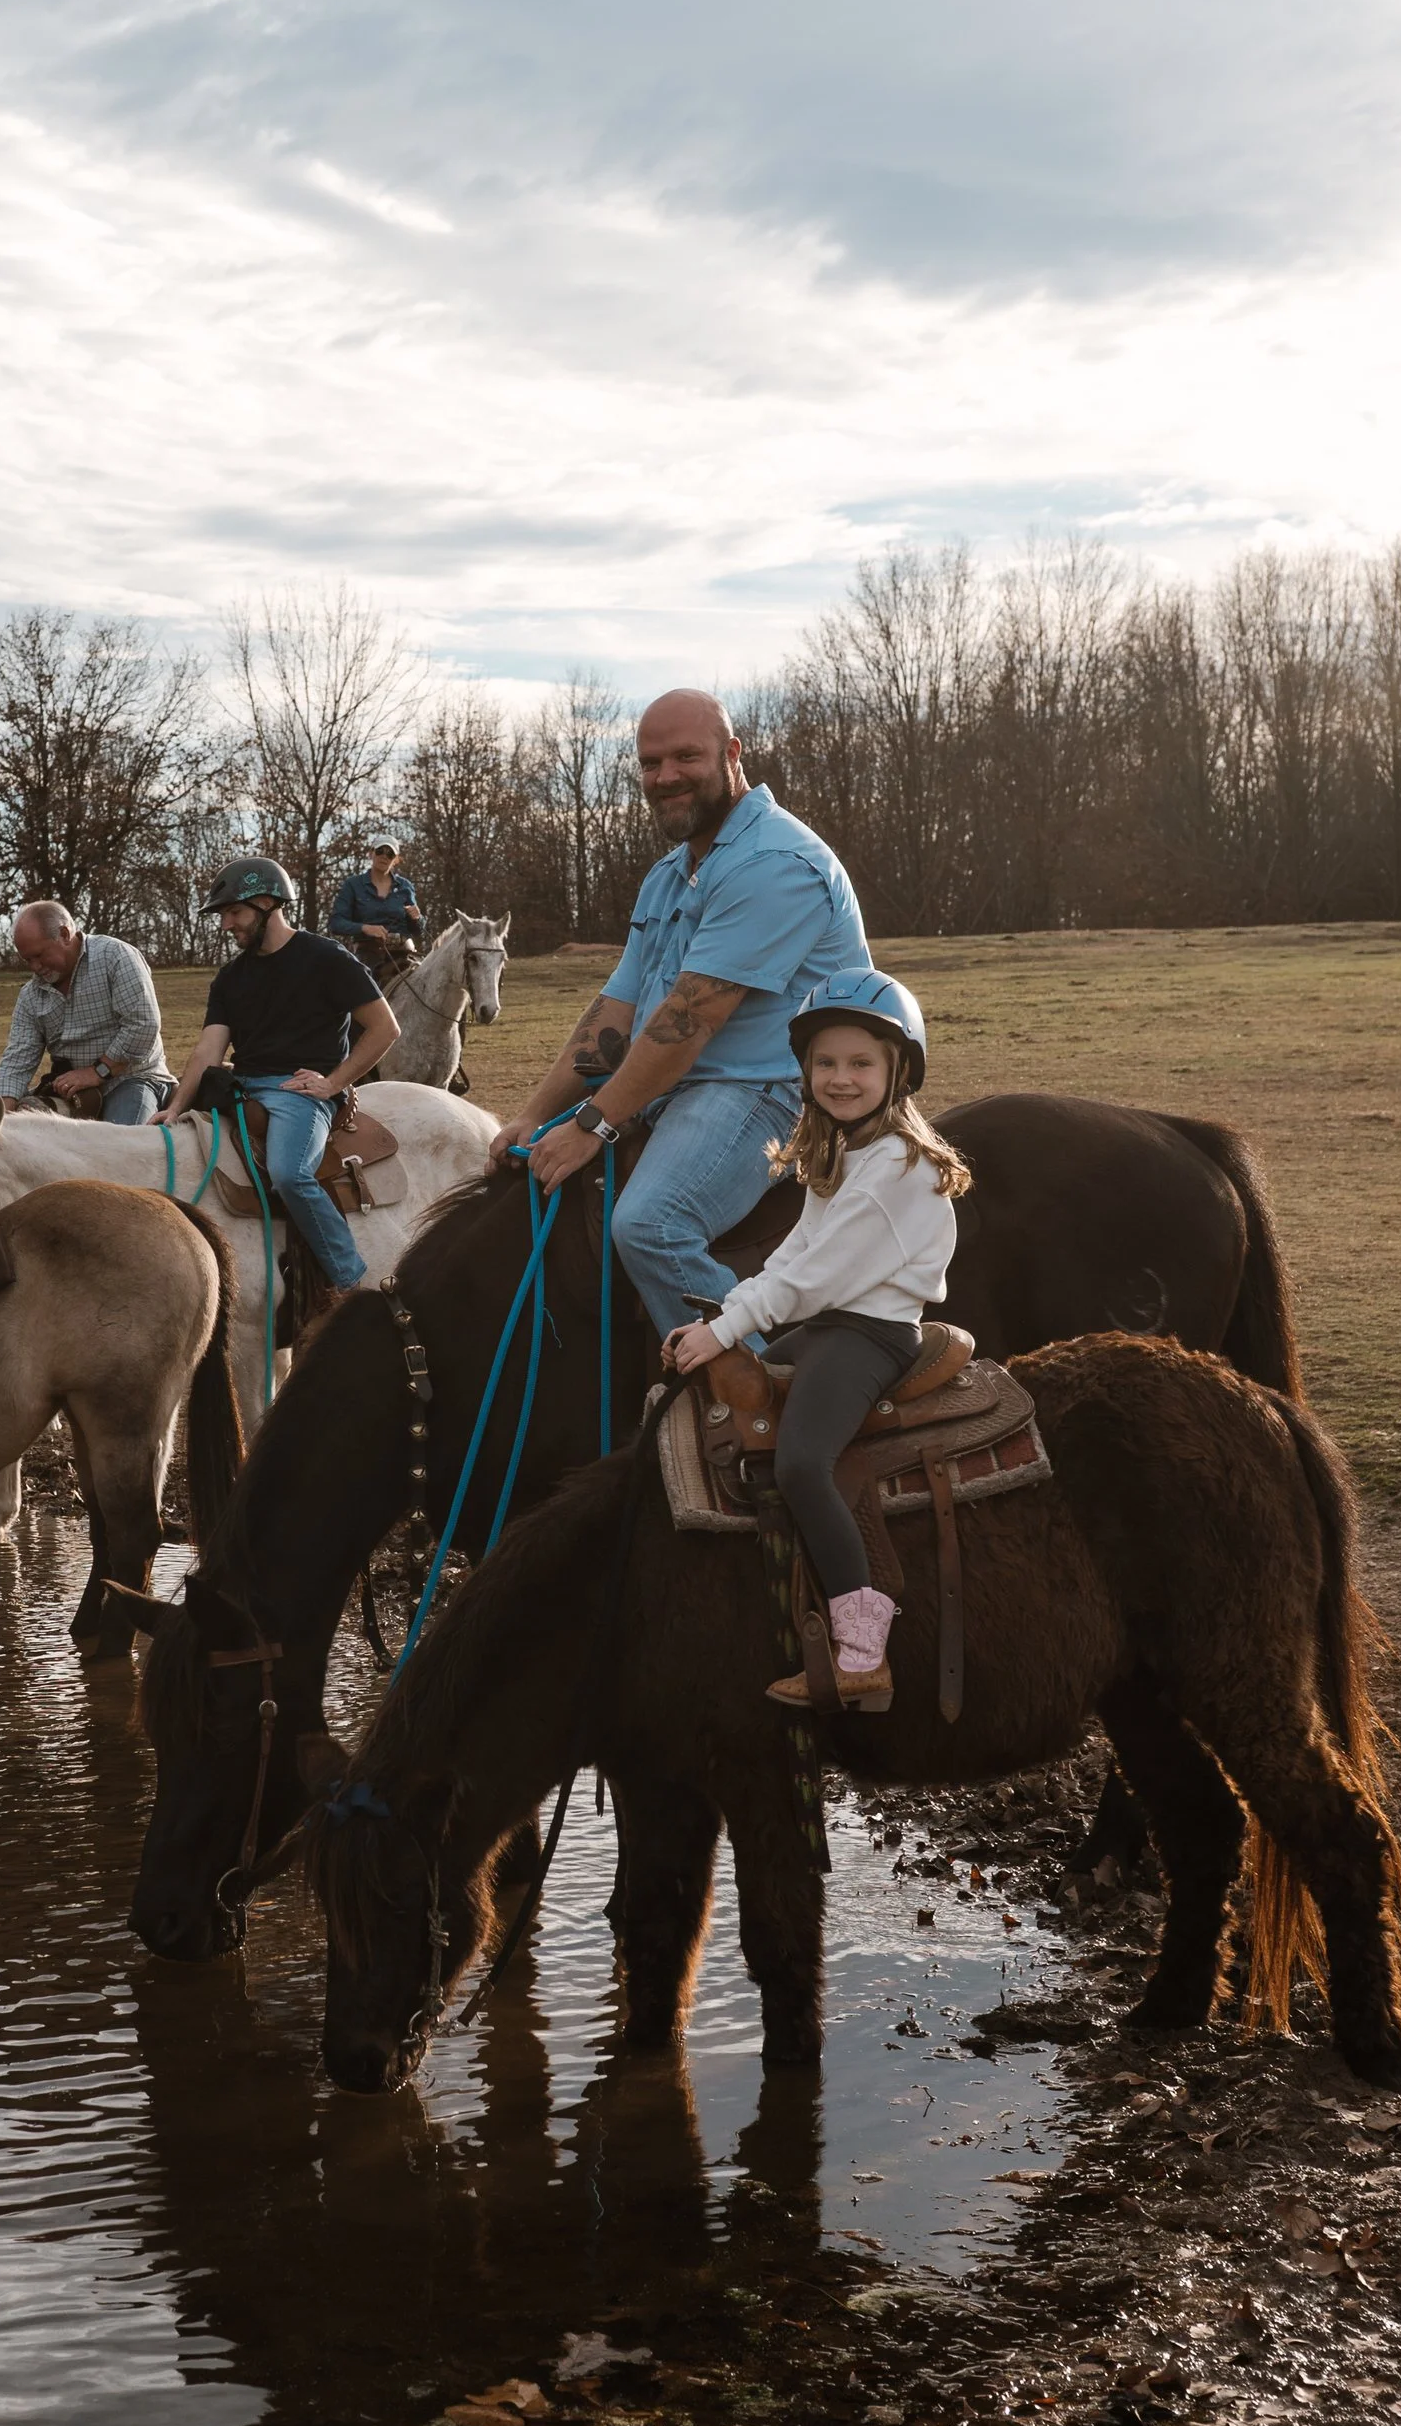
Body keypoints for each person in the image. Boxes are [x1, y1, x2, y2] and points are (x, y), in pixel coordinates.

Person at [499, 688, 870, 1349]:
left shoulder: (773, 862)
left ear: (732, 755)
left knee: (650, 1223)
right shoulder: (672, 876)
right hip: (693, 1083)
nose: (665, 776)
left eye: (685, 756)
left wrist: (593, 1122)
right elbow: (616, 1012)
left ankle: (761, 1391)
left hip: (777, 1090)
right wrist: (534, 1113)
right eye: (649, 762)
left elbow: (688, 1020)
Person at [663, 972, 971, 1712]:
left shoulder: (897, 1167)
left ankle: (864, 1647)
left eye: (861, 1064)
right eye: (826, 1063)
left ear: (898, 1071)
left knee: (803, 1462)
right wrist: (724, 1318)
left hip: (873, 1333)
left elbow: (816, 1279)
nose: (841, 1078)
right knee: (740, 1409)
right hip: (835, 1322)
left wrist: (724, 1328)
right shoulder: (845, 1153)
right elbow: (794, 1256)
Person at [161, 858, 400, 1294]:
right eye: (223, 915)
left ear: (267, 902)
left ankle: (352, 1282)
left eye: (233, 912)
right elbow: (208, 1051)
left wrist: (332, 1083)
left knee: (289, 1174)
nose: (226, 925)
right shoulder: (230, 978)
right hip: (240, 1087)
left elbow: (385, 1028)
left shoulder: (327, 959)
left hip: (298, 1093)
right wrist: (174, 1105)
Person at [0, 903, 173, 1124]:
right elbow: (17, 1059)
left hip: (133, 1078)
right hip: (72, 1091)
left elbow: (143, 1026)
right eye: (27, 960)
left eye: (39, 955)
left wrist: (97, 1072)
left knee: (120, 1146)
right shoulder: (30, 996)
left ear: (65, 934)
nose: (35, 967)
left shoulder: (115, 956)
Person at [327, 836, 424, 954]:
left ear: (396, 860)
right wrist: (364, 928)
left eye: (390, 854)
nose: (384, 856)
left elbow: (418, 931)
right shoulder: (352, 885)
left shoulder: (405, 886)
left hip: (405, 952)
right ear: (371, 853)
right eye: (380, 851)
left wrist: (417, 918)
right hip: (367, 954)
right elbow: (336, 923)